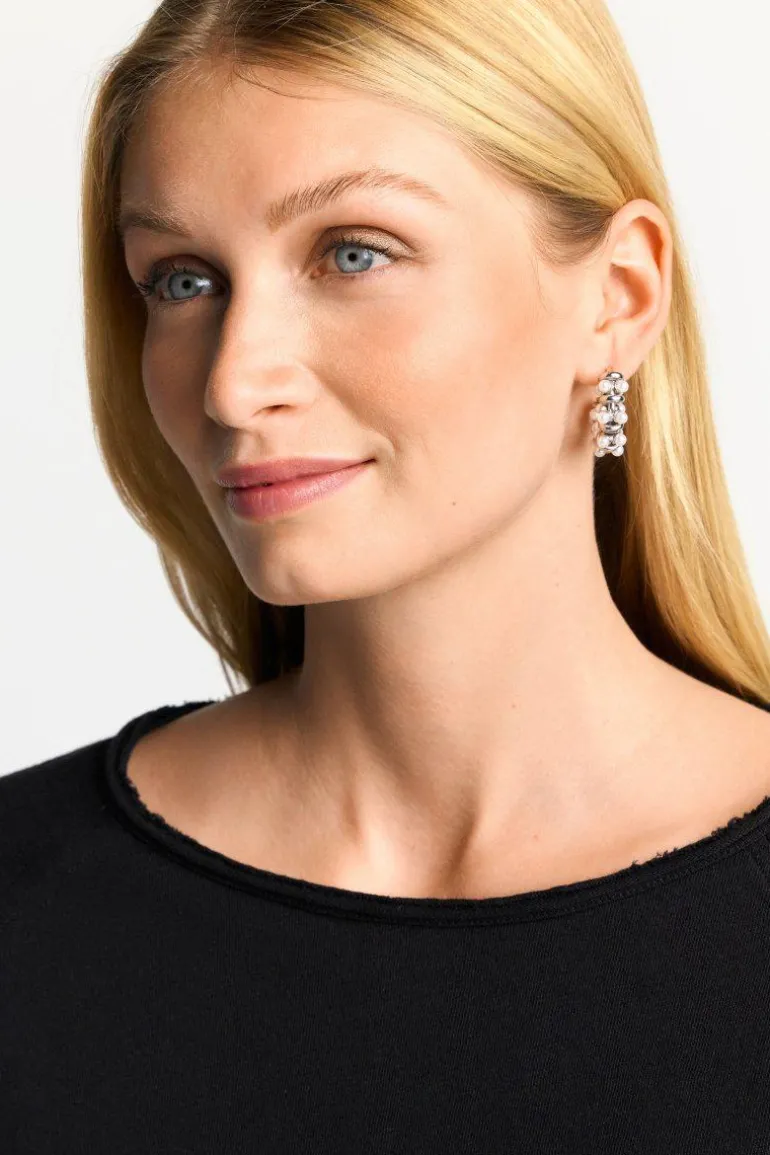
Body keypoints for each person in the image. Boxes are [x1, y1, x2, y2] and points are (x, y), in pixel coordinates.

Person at [3, 0, 770, 1150]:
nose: (232, 383)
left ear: (616, 296)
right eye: (181, 280)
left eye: (353, 254)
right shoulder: (25, 906)